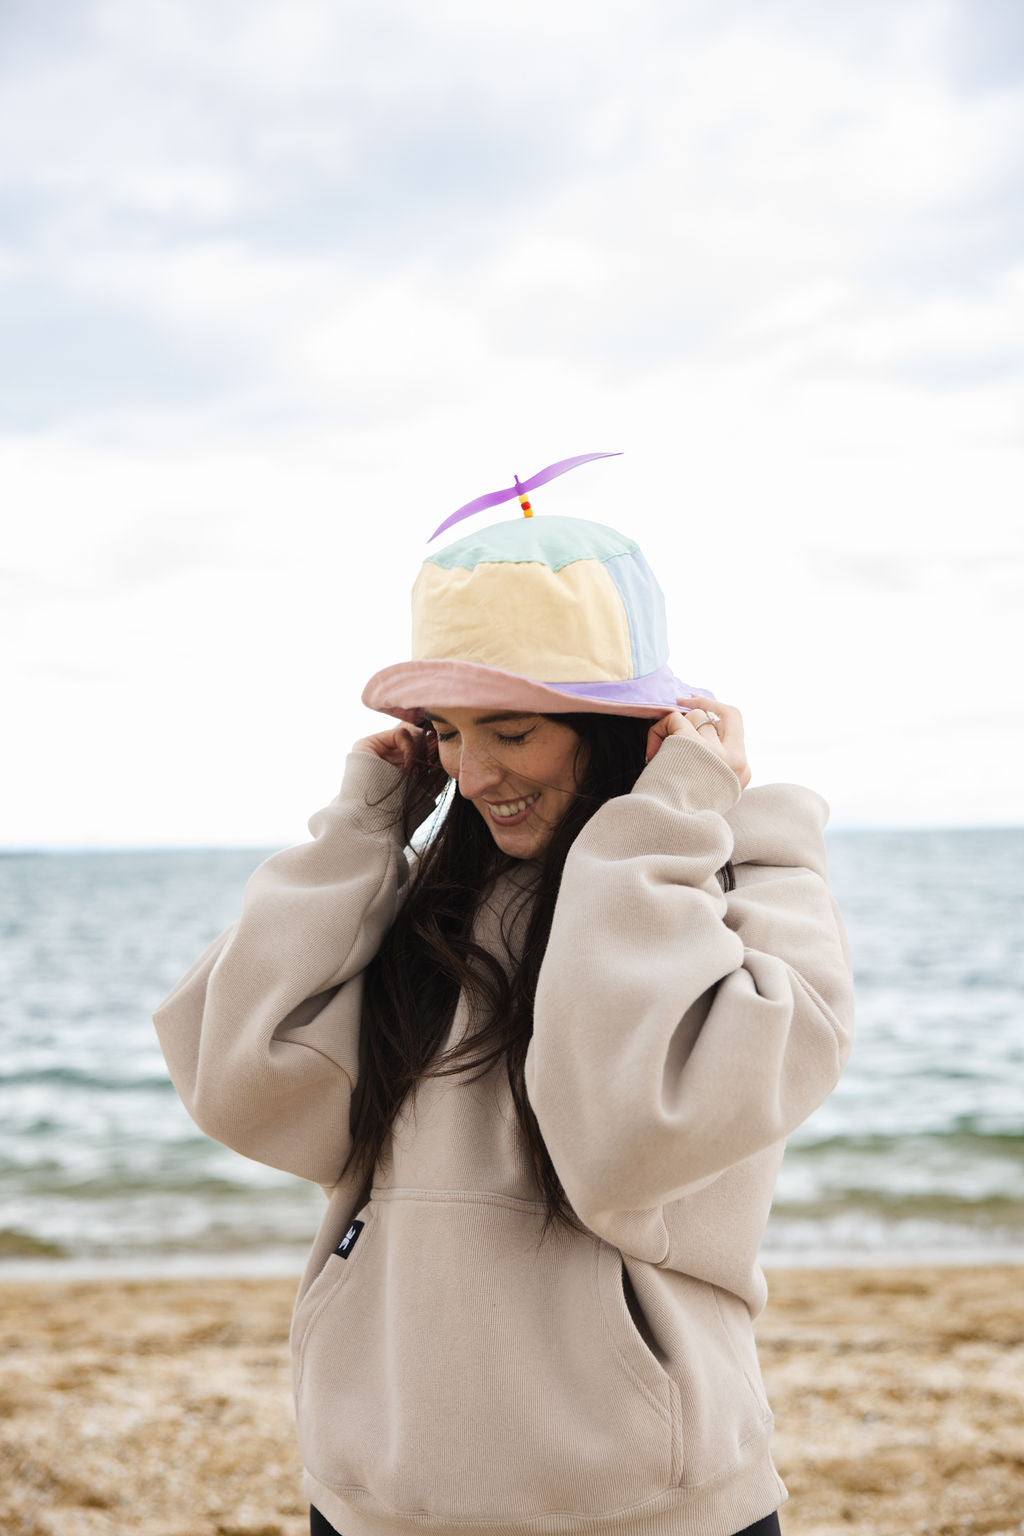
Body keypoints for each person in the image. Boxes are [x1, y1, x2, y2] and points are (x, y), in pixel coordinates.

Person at [153, 506, 855, 1536]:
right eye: (446, 734)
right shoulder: (417, 917)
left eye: (512, 731)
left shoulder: (745, 897)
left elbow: (628, 1138)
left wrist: (663, 828)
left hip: (652, 1511)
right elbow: (238, 1085)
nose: (474, 777)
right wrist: (365, 822)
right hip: (375, 1504)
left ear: (619, 732)